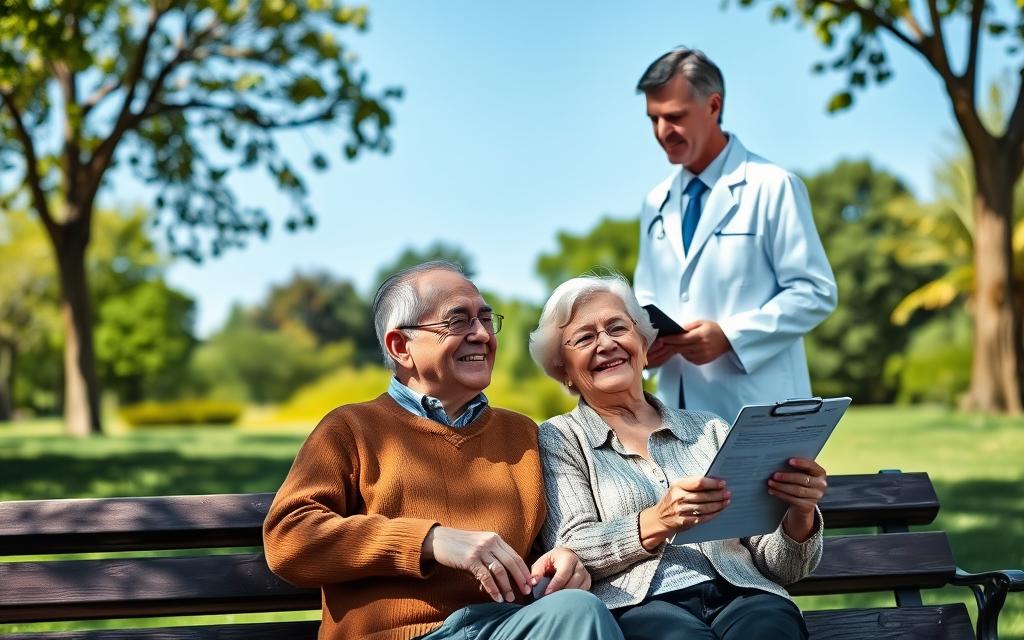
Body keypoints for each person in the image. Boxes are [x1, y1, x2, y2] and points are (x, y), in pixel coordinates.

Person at [263, 262, 623, 640]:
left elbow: (544, 548)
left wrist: (563, 562)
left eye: (486, 319)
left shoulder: (522, 434)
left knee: (578, 611)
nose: (482, 334)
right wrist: (430, 541)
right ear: (401, 347)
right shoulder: (349, 428)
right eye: (458, 321)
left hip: (503, 628)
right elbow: (288, 538)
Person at [529, 274, 825, 640]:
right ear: (564, 370)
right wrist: (658, 520)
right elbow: (572, 548)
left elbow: (782, 568)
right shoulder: (560, 438)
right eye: (585, 338)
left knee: (771, 624)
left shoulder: (710, 429)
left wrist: (800, 512)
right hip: (639, 606)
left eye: (617, 327)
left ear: (643, 342)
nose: (606, 344)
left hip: (745, 596)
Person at [633, 47, 838, 422]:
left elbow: (816, 292)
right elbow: (646, 295)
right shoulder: (655, 202)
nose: (663, 133)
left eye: (675, 117)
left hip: (758, 404)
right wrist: (644, 344)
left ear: (713, 106)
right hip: (675, 412)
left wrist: (730, 336)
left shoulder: (773, 186)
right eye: (654, 119)